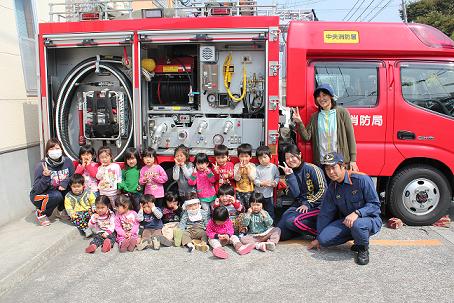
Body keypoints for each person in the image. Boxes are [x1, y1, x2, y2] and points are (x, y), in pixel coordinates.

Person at [308, 152, 382, 265]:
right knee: (324, 239)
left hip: (369, 219)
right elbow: (325, 213)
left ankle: (362, 247)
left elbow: (375, 205)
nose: (331, 172)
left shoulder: (361, 179)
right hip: (347, 222)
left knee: (358, 225)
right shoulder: (332, 188)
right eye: (327, 169)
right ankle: (358, 236)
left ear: (343, 166)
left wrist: (357, 213)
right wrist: (318, 238)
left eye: (333, 167)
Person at [293, 83, 359, 171]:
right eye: (318, 96)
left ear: (331, 96)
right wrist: (299, 123)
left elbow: (350, 136)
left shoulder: (342, 113)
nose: (321, 98)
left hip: (339, 163)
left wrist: (353, 160)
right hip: (322, 163)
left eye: (324, 95)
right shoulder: (315, 116)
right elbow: (306, 138)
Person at [277, 144, 326, 241]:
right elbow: (295, 194)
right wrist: (290, 176)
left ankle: (321, 231)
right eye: (287, 158)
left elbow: (323, 190)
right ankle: (300, 230)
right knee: (281, 233)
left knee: (291, 221)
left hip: (315, 206)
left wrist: (308, 204)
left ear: (299, 154)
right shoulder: (290, 173)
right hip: (299, 205)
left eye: (292, 156)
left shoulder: (312, 168)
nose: (290, 160)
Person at [30, 138, 75, 226]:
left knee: (70, 189)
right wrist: (45, 177)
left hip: (55, 190)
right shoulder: (42, 165)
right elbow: (37, 189)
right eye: (51, 149)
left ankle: (60, 210)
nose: (55, 151)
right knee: (56, 196)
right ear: (47, 151)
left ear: (62, 149)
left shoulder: (67, 161)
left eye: (57, 148)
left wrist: (65, 182)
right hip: (39, 195)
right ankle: (42, 212)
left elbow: (73, 177)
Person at [254, 145, 280, 220]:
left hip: (269, 195)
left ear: (270, 156)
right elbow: (255, 180)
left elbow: (277, 177)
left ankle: (271, 224)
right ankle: (259, 223)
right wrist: (261, 184)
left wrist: (275, 182)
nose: (262, 160)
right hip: (259, 194)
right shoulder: (257, 168)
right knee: (258, 210)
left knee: (270, 210)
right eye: (260, 158)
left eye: (265, 157)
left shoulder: (273, 167)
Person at [117, 147, 142, 211]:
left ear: (137, 158)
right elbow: (120, 180)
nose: (131, 161)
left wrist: (140, 186)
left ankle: (137, 220)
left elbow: (142, 180)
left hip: (137, 193)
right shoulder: (124, 170)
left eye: (133, 158)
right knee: (128, 208)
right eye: (128, 159)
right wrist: (123, 186)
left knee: (138, 208)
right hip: (127, 193)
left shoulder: (140, 170)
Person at [233, 143, 256, 209]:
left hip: (249, 191)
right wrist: (239, 170)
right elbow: (236, 179)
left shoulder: (252, 166)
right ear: (238, 156)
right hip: (239, 191)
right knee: (240, 207)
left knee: (249, 206)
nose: (244, 158)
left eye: (246, 156)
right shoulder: (237, 165)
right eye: (242, 156)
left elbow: (253, 178)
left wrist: (248, 169)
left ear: (250, 157)